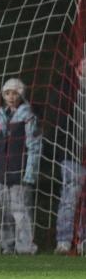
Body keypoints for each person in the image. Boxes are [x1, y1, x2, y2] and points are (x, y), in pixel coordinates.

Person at [0, 78, 41, 255]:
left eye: (15, 93)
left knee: (21, 211)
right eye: (7, 93)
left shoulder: (27, 116)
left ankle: (25, 247)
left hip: (19, 170)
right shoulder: (0, 115)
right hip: (3, 169)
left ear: (21, 94)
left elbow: (34, 146)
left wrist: (30, 173)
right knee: (4, 212)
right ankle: (7, 246)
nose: (11, 97)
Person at [55, 53, 85, 254]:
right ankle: (64, 241)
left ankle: (83, 239)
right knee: (69, 197)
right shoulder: (67, 91)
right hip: (71, 156)